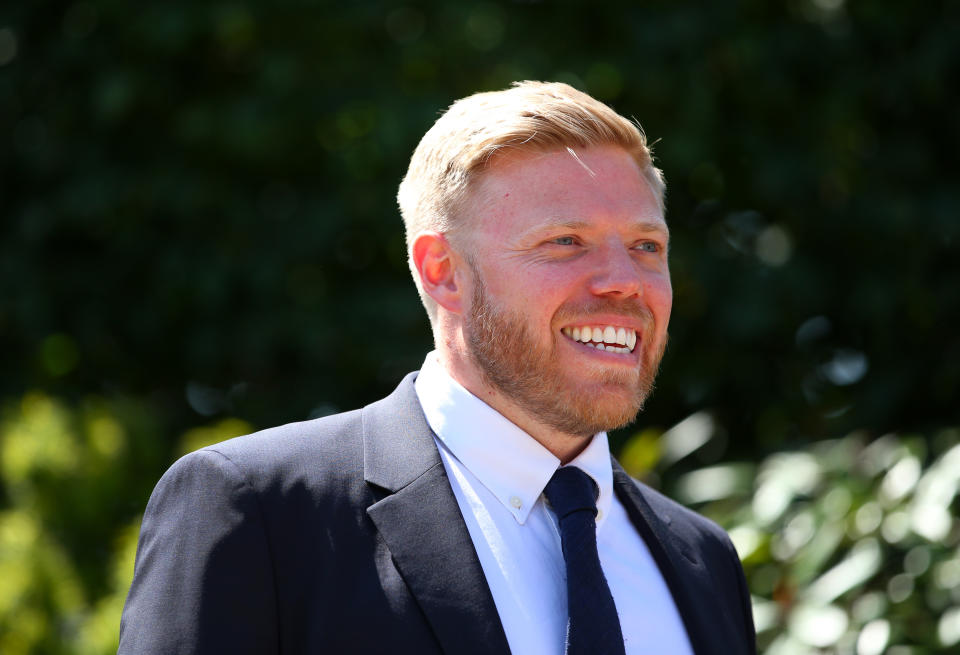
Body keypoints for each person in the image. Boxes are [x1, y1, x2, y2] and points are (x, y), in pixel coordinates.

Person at [119, 81, 756, 655]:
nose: (624, 281)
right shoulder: (261, 514)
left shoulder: (703, 560)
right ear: (442, 272)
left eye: (647, 246)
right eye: (566, 241)